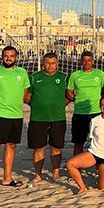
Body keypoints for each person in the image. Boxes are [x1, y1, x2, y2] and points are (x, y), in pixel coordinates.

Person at [0, 46, 30, 192]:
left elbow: (24, 92)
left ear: (16, 57)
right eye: (6, 56)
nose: (8, 58)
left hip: (16, 115)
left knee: (11, 145)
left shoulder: (22, 72)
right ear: (2, 57)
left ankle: (7, 178)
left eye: (12, 56)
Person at [66, 96, 104, 194]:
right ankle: (82, 187)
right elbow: (93, 137)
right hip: (94, 153)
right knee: (70, 164)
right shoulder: (95, 120)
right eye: (102, 104)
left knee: (103, 187)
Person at [25, 52, 69, 182]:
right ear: (43, 64)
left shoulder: (64, 77)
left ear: (57, 64)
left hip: (57, 117)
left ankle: (56, 174)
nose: (50, 65)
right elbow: (26, 95)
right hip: (38, 118)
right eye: (48, 63)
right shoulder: (34, 77)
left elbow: (69, 95)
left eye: (53, 63)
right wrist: (37, 104)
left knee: (56, 147)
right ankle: (38, 175)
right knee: (39, 147)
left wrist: (59, 105)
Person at [66, 51, 104, 155]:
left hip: (96, 112)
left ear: (93, 61)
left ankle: (98, 169)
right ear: (81, 62)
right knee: (78, 143)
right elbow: (69, 91)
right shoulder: (75, 75)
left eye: (89, 60)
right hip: (79, 113)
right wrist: (76, 99)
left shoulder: (100, 74)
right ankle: (77, 167)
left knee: (98, 142)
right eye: (84, 60)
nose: (86, 62)